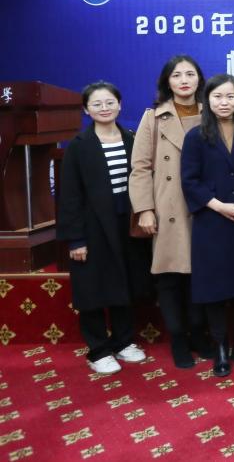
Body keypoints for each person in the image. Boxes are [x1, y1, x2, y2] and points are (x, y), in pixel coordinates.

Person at [57, 82, 151, 374]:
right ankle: (98, 350)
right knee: (93, 289)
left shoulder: (132, 139)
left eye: (110, 102)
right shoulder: (78, 146)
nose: (104, 108)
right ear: (86, 110)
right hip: (93, 228)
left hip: (127, 224)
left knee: (125, 283)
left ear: (119, 105)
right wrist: (76, 239)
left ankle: (124, 342)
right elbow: (69, 196)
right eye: (96, 104)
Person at [129, 54, 212, 369]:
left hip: (206, 207)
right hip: (167, 209)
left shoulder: (211, 113)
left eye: (190, 74)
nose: (184, 80)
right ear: (167, 82)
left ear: (199, 79)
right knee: (169, 277)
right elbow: (140, 168)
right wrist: (145, 209)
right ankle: (178, 338)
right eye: (177, 75)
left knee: (200, 275)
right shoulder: (153, 118)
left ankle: (198, 334)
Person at [181, 74, 234, 377]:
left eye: (230, 96)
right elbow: (189, 181)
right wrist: (218, 206)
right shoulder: (195, 137)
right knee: (215, 289)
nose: (224, 102)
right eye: (217, 97)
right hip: (211, 223)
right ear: (206, 101)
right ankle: (219, 348)